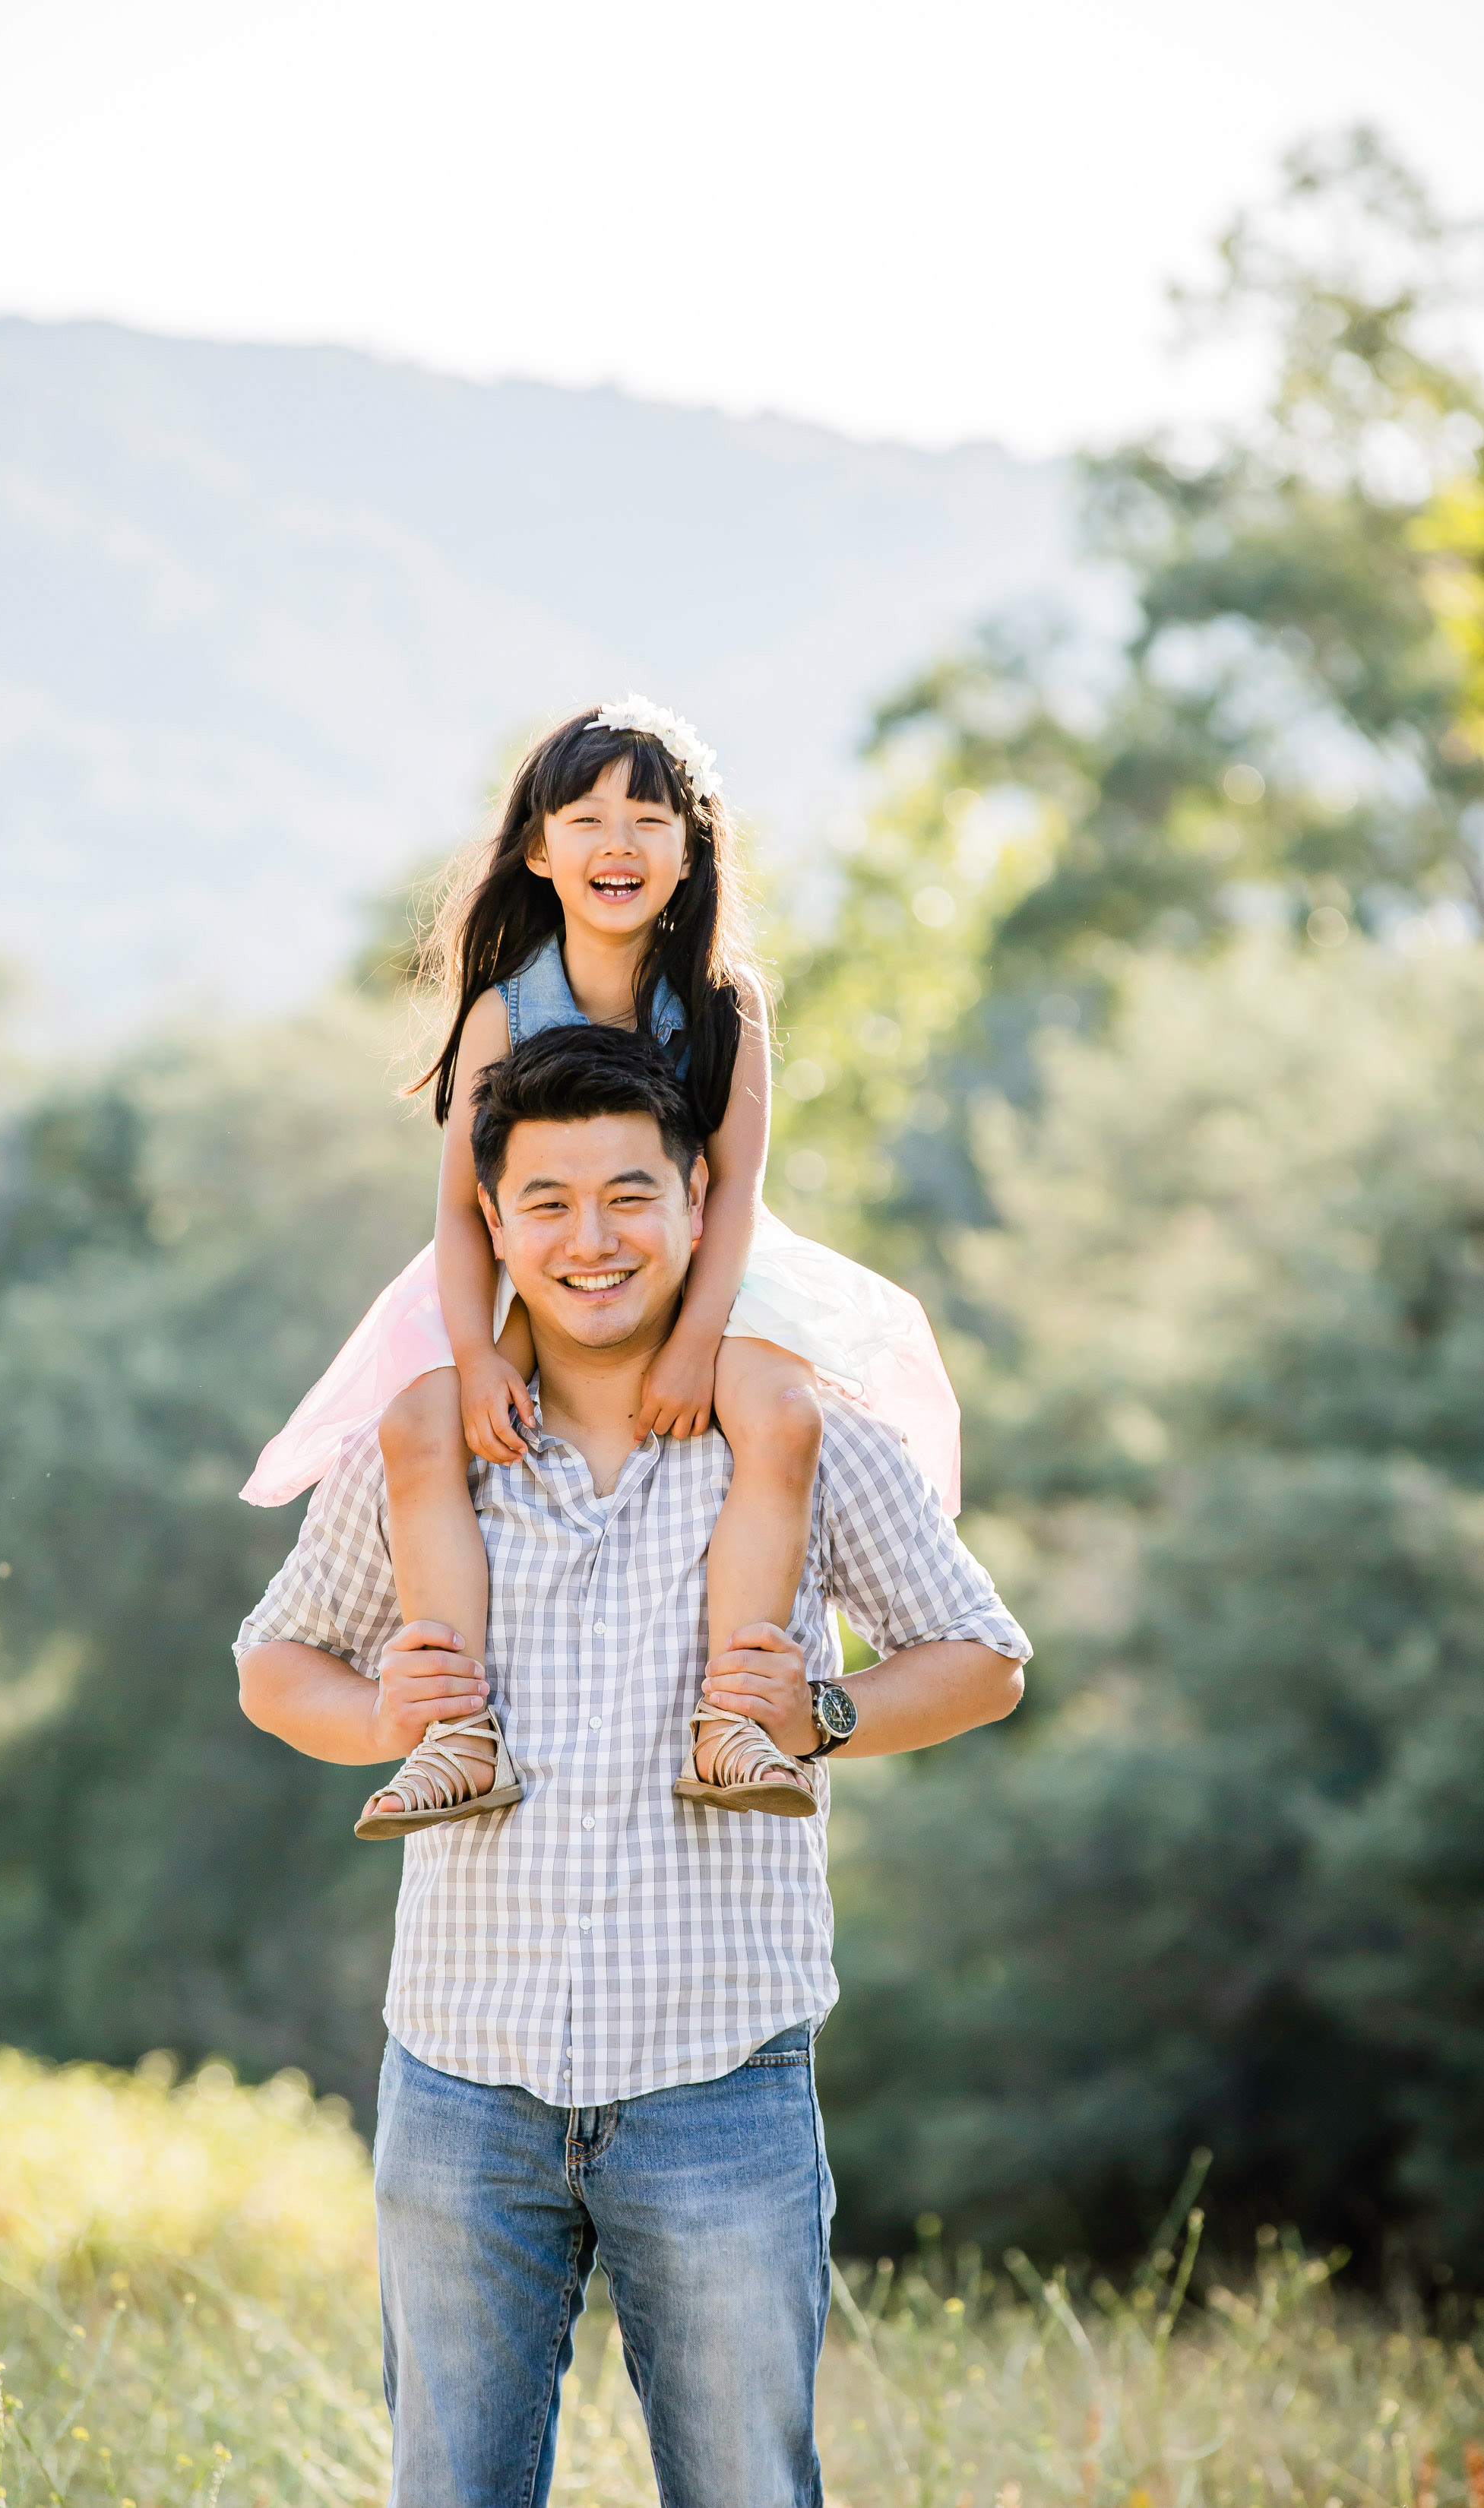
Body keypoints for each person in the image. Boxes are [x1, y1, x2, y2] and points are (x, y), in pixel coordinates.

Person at [236, 1021, 1030, 2508]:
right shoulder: (427, 1453)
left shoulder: (799, 1441)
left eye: (628, 1196)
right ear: (488, 1223)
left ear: (694, 1208)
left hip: (720, 2085)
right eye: (545, 1201)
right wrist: (375, 1722)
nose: (589, 1239)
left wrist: (822, 1713)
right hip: (462, 2089)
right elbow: (271, 1662)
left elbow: (982, 1659)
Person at [242, 696, 963, 1831]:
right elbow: (459, 1209)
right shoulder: (504, 1008)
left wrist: (694, 1347)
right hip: (521, 1261)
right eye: (584, 818)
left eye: (649, 818)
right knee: (420, 1423)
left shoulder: (724, 1004)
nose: (617, 844)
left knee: (776, 1409)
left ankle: (734, 1713)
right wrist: (479, 1356)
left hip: (705, 1258)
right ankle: (455, 1732)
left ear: (692, 848)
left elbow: (735, 1195)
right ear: (538, 849)